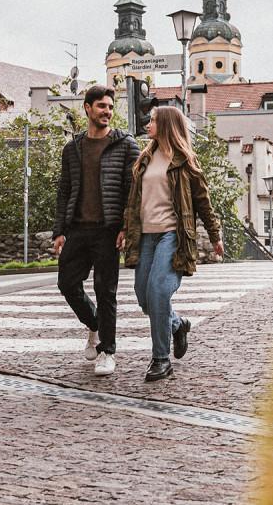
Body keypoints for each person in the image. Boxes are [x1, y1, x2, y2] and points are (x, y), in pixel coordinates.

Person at [123, 106, 223, 382]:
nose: (148, 124)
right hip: (144, 236)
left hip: (172, 235)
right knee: (144, 298)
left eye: (153, 120)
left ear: (166, 124)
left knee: (158, 291)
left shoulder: (185, 161)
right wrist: (125, 229)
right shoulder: (145, 158)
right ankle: (178, 325)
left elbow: (203, 202)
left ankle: (160, 359)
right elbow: (134, 202)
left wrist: (214, 236)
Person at [53, 85, 140, 377]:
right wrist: (58, 230)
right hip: (77, 229)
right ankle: (94, 325)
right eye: (102, 106)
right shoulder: (72, 149)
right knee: (67, 283)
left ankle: (107, 352)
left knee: (106, 291)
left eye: (111, 107)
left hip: (108, 230)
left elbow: (133, 192)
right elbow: (64, 191)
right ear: (87, 108)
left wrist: (127, 228)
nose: (107, 112)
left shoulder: (126, 145)